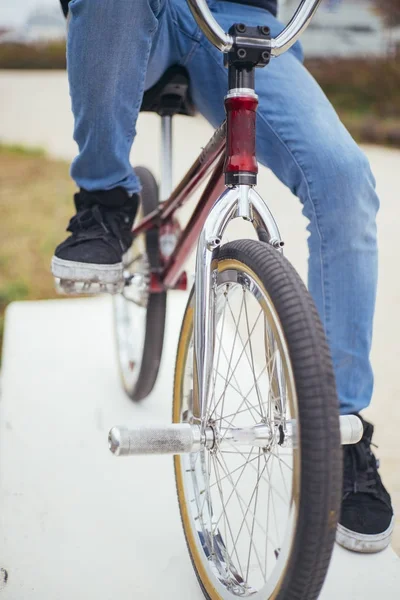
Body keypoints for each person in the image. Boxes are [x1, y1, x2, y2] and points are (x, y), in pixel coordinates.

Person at [53, 0, 394, 553]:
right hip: (147, 9)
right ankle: (104, 199)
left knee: (346, 183)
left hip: (244, 15)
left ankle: (340, 430)